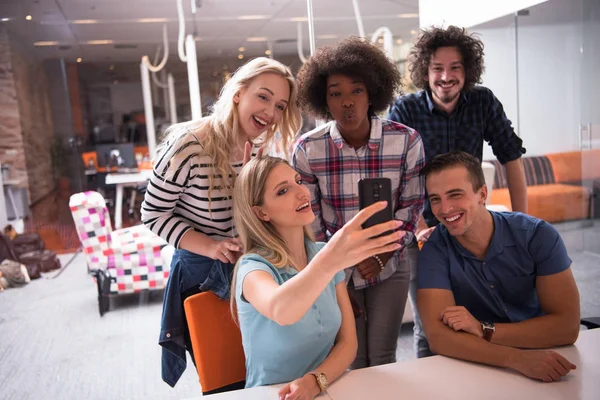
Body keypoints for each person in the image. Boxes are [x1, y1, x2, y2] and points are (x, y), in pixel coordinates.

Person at [140, 57, 302, 387]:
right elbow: (153, 213)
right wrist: (212, 246)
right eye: (264, 97)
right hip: (203, 276)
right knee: (226, 380)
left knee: (265, 374)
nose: (271, 112)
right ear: (239, 92)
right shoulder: (188, 144)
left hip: (251, 271)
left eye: (280, 106)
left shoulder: (258, 150)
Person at [387, 25, 528, 357]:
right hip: (420, 230)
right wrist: (420, 230)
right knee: (430, 328)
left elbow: (511, 157)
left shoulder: (483, 102)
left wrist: (522, 221)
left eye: (455, 68)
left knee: (475, 319)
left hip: (470, 228)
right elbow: (396, 178)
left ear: (468, 71)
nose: (446, 77)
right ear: (426, 70)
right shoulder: (406, 109)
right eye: (437, 68)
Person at [292, 37, 425, 369]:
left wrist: (382, 255)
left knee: (381, 357)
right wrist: (335, 275)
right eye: (336, 93)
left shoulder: (406, 140)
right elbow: (309, 220)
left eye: (357, 91)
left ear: (372, 94)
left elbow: (411, 208)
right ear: (324, 100)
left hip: (390, 263)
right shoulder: (309, 149)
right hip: (335, 270)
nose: (347, 103)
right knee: (349, 359)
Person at [232, 156, 403, 398]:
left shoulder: (322, 254)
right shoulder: (252, 269)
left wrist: (315, 381)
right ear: (261, 213)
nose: (302, 193)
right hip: (272, 394)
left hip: (325, 390)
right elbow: (283, 311)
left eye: (298, 181)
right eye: (283, 191)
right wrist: (331, 259)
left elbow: (348, 343)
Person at [417, 151, 580, 382]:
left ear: (482, 193)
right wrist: (516, 359)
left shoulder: (538, 236)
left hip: (548, 355)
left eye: (455, 195)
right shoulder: (434, 250)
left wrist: (484, 329)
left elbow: (567, 327)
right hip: (483, 367)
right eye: (435, 199)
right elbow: (439, 338)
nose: (444, 209)